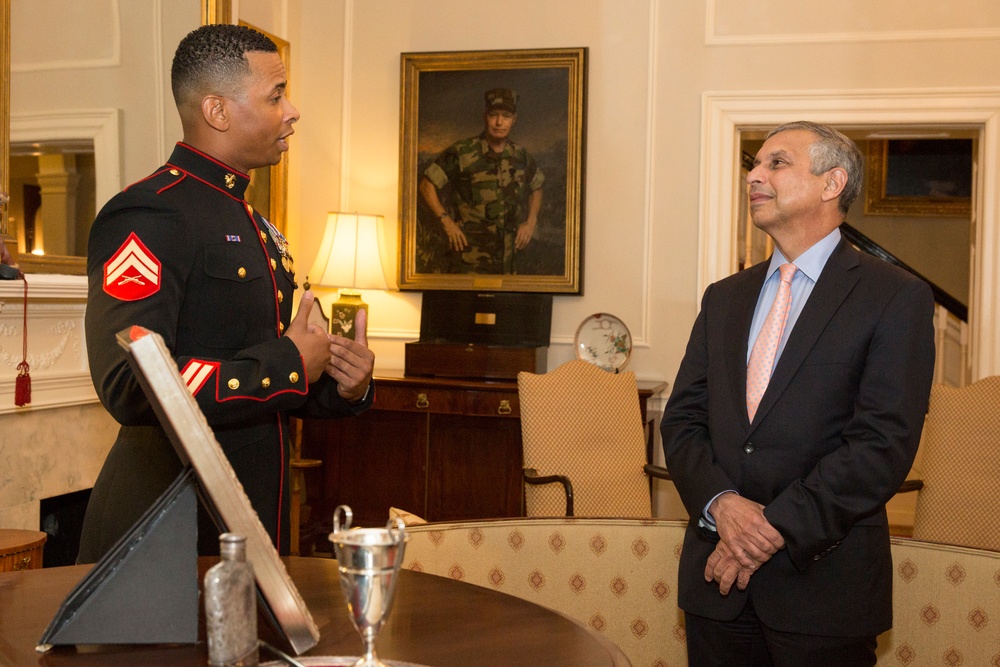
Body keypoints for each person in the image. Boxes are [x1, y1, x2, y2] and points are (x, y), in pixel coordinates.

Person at [77, 24, 375, 563]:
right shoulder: (150, 213)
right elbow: (132, 381)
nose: (293, 111)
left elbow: (273, 376)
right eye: (276, 95)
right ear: (217, 111)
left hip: (250, 523)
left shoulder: (259, 226)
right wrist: (288, 363)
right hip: (167, 534)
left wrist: (342, 385)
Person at [660, 121, 935, 666]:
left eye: (776, 163)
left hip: (823, 592)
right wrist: (722, 505)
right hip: (716, 590)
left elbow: (881, 444)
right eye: (754, 165)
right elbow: (683, 420)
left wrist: (767, 529)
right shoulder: (724, 297)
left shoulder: (895, 297)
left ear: (832, 183)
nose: (755, 176)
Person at [417, 87, 544, 274]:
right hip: (469, 260)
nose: (499, 122)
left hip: (510, 262)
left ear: (514, 120)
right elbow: (426, 185)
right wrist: (447, 222)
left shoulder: (521, 156)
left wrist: (531, 220)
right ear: (486, 116)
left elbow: (537, 186)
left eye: (506, 116)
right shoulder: (463, 151)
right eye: (494, 115)